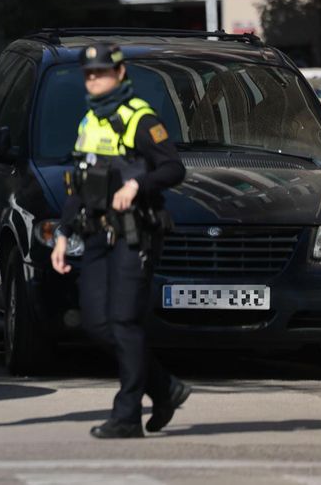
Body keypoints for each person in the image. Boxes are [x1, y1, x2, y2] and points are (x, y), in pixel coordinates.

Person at [50, 42, 191, 439]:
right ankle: (164, 387)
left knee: (125, 321)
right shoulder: (89, 121)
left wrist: (137, 183)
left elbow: (173, 168)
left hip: (135, 232)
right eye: (89, 74)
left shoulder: (141, 119)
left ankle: (127, 415)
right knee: (97, 323)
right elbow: (78, 187)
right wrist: (64, 233)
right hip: (96, 233)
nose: (94, 80)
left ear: (120, 74)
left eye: (102, 73)